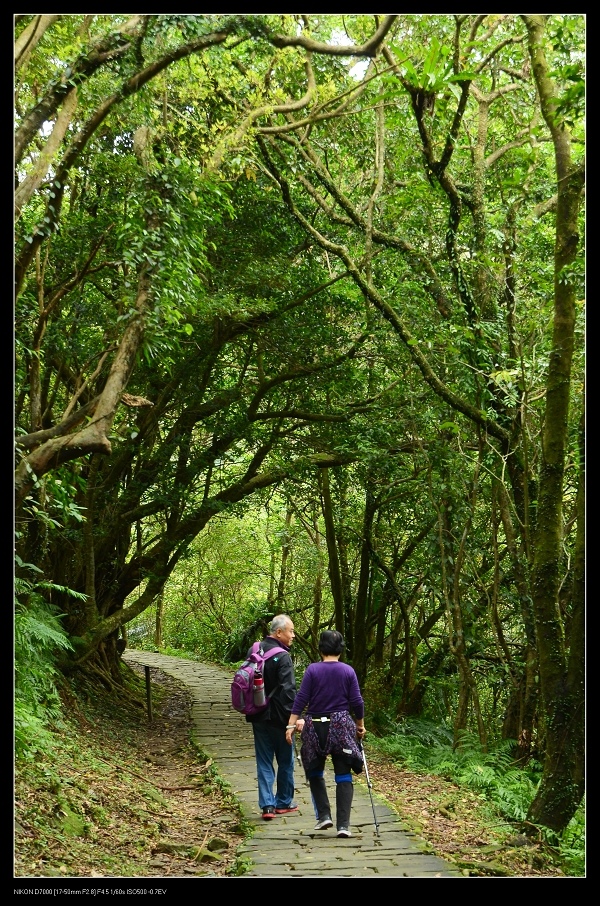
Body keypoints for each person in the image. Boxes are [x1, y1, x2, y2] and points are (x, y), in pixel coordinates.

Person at [285, 629, 366, 838]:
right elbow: (357, 701)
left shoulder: (313, 670)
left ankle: (324, 816)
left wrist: (290, 725)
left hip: (315, 725)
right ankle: (344, 826)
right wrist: (360, 725)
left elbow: (301, 699)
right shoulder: (348, 671)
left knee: (314, 769)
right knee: (343, 774)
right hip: (341, 725)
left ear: (320, 648)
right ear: (341, 649)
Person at [247, 614, 298, 820]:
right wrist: (291, 722)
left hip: (258, 714)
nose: (293, 635)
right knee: (286, 761)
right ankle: (283, 802)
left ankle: (267, 806)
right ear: (279, 632)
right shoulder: (283, 657)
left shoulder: (255, 649)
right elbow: (288, 691)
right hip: (279, 718)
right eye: (291, 631)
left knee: (264, 760)